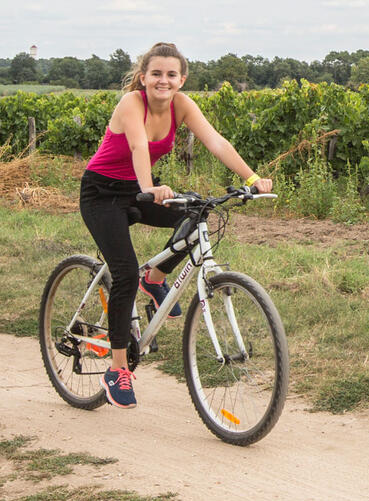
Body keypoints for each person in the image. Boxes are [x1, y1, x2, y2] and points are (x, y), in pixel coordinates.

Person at [80, 41, 273, 409]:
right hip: (102, 193)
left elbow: (216, 141)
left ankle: (152, 279)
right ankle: (117, 369)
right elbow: (138, 147)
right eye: (156, 74)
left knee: (195, 212)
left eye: (171, 74)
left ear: (181, 79)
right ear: (143, 77)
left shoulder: (182, 106)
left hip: (141, 190)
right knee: (121, 273)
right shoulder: (131, 103)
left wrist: (251, 179)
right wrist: (148, 188)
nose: (163, 81)